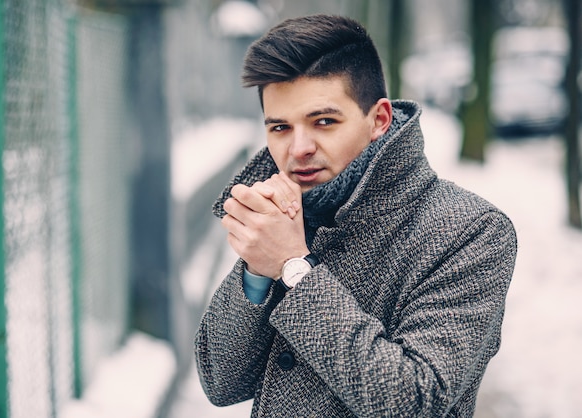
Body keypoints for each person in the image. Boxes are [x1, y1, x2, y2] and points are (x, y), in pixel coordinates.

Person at [195, 14, 517, 417]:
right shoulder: (285, 213)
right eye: (279, 127)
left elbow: (413, 401)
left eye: (324, 122)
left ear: (378, 120)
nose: (298, 149)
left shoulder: (473, 232)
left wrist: (294, 267)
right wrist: (258, 269)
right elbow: (220, 383)